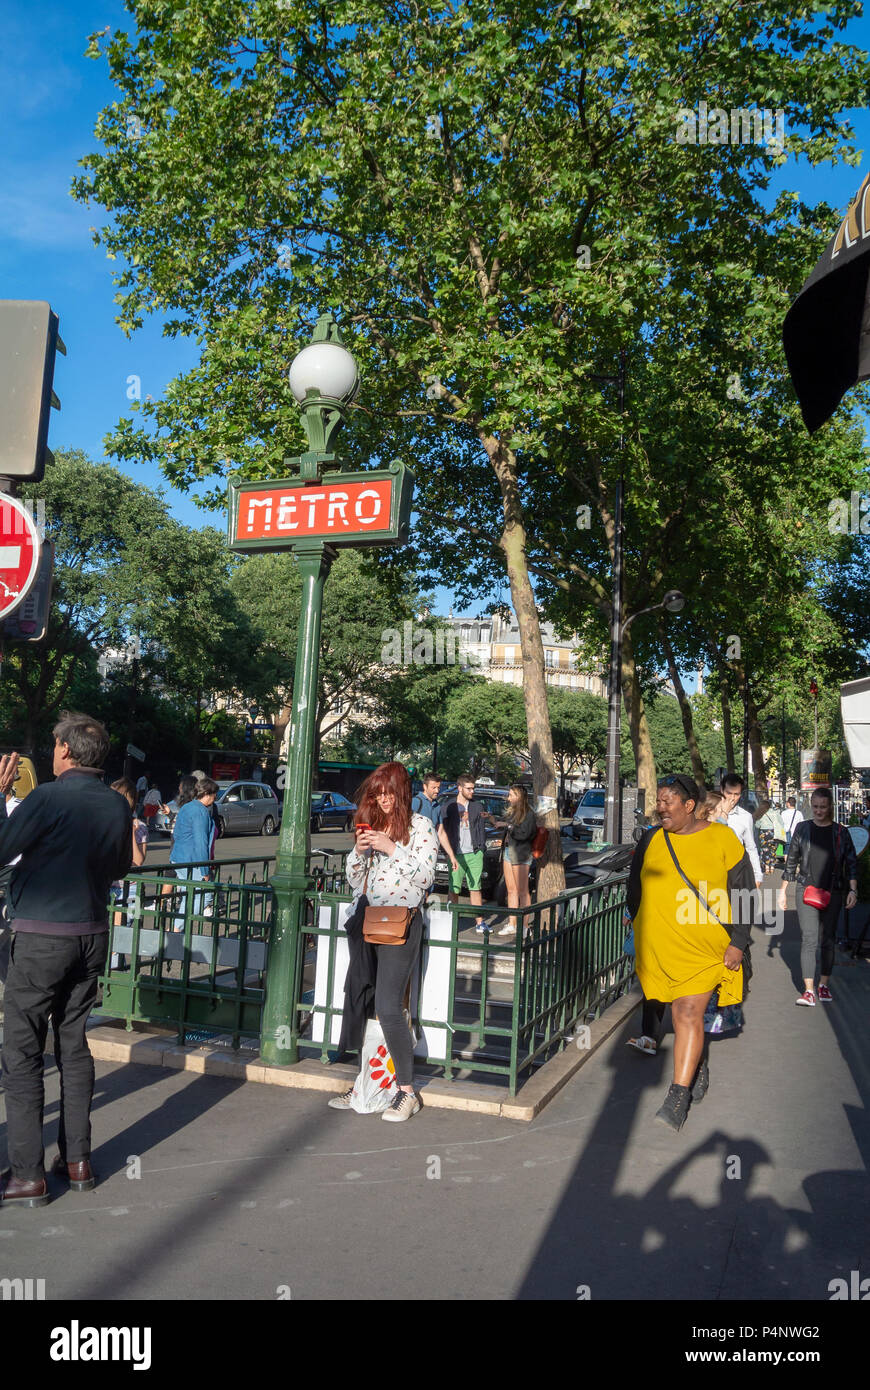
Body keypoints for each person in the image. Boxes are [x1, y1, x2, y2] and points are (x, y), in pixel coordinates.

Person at [0, 714, 132, 1207]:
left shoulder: (48, 797)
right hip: (91, 936)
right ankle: (77, 1161)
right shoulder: (116, 806)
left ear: (66, 752)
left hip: (40, 939)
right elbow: (119, 866)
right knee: (73, 1047)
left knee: (22, 1054)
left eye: (56, 745)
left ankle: (27, 1174)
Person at [626, 773, 755, 1132]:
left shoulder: (723, 838)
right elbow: (635, 884)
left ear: (690, 806)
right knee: (684, 1017)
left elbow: (744, 891)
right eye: (659, 801)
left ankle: (677, 1096)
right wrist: (631, 916)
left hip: (706, 951)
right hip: (660, 948)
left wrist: (738, 941)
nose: (661, 807)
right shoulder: (653, 838)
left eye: (668, 802)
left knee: (685, 1013)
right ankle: (696, 1063)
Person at [329, 761, 438, 1121]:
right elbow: (353, 878)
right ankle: (367, 1084)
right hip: (370, 921)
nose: (383, 799)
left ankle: (407, 1091)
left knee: (389, 1006)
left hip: (402, 923)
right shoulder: (375, 826)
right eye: (377, 793)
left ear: (402, 791)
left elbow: (425, 878)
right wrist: (359, 853)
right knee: (362, 1000)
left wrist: (393, 848)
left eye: (389, 792)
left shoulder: (420, 827)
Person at [778, 785, 857, 1006]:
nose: (819, 811)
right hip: (806, 889)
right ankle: (809, 990)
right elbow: (791, 860)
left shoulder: (841, 832)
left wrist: (853, 889)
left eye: (823, 807)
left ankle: (823, 985)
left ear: (830, 806)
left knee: (828, 939)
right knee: (809, 938)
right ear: (810, 805)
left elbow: (851, 863)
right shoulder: (803, 829)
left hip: (834, 890)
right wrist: (783, 891)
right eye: (815, 807)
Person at [439, 773, 491, 932]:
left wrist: (481, 849)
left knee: (475, 888)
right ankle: (451, 922)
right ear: (459, 788)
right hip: (456, 854)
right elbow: (442, 831)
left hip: (474, 853)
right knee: (454, 888)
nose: (472, 791)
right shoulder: (448, 806)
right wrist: (447, 852)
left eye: (473, 788)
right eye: (468, 788)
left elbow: (481, 827)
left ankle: (480, 923)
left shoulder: (477, 806)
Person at [109, 779, 149, 970]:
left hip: (130, 889)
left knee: (121, 936)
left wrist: (130, 832)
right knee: (111, 936)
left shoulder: (139, 826)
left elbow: (138, 861)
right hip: (108, 886)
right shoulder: (106, 822)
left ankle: (115, 977)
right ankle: (112, 976)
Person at [170, 777, 218, 929]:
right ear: (208, 794)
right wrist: (205, 869)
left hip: (179, 857)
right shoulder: (201, 811)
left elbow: (176, 834)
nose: (215, 798)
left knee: (188, 895)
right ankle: (176, 930)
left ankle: (178, 930)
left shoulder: (187, 807)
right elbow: (201, 842)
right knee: (204, 896)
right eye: (215, 794)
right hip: (193, 861)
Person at [491, 783, 538, 937]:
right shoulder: (512, 812)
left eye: (511, 795)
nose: (508, 798)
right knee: (511, 890)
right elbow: (508, 827)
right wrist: (494, 820)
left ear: (519, 796)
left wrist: (509, 826)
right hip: (509, 852)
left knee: (523, 891)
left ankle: (524, 926)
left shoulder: (529, 814)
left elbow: (525, 834)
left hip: (521, 854)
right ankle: (512, 923)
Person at [719, 774, 763, 887]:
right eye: (729, 793)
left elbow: (751, 847)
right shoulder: (711, 812)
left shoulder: (745, 816)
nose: (732, 798)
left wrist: (757, 876)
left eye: (736, 794)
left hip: (736, 872)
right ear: (721, 790)